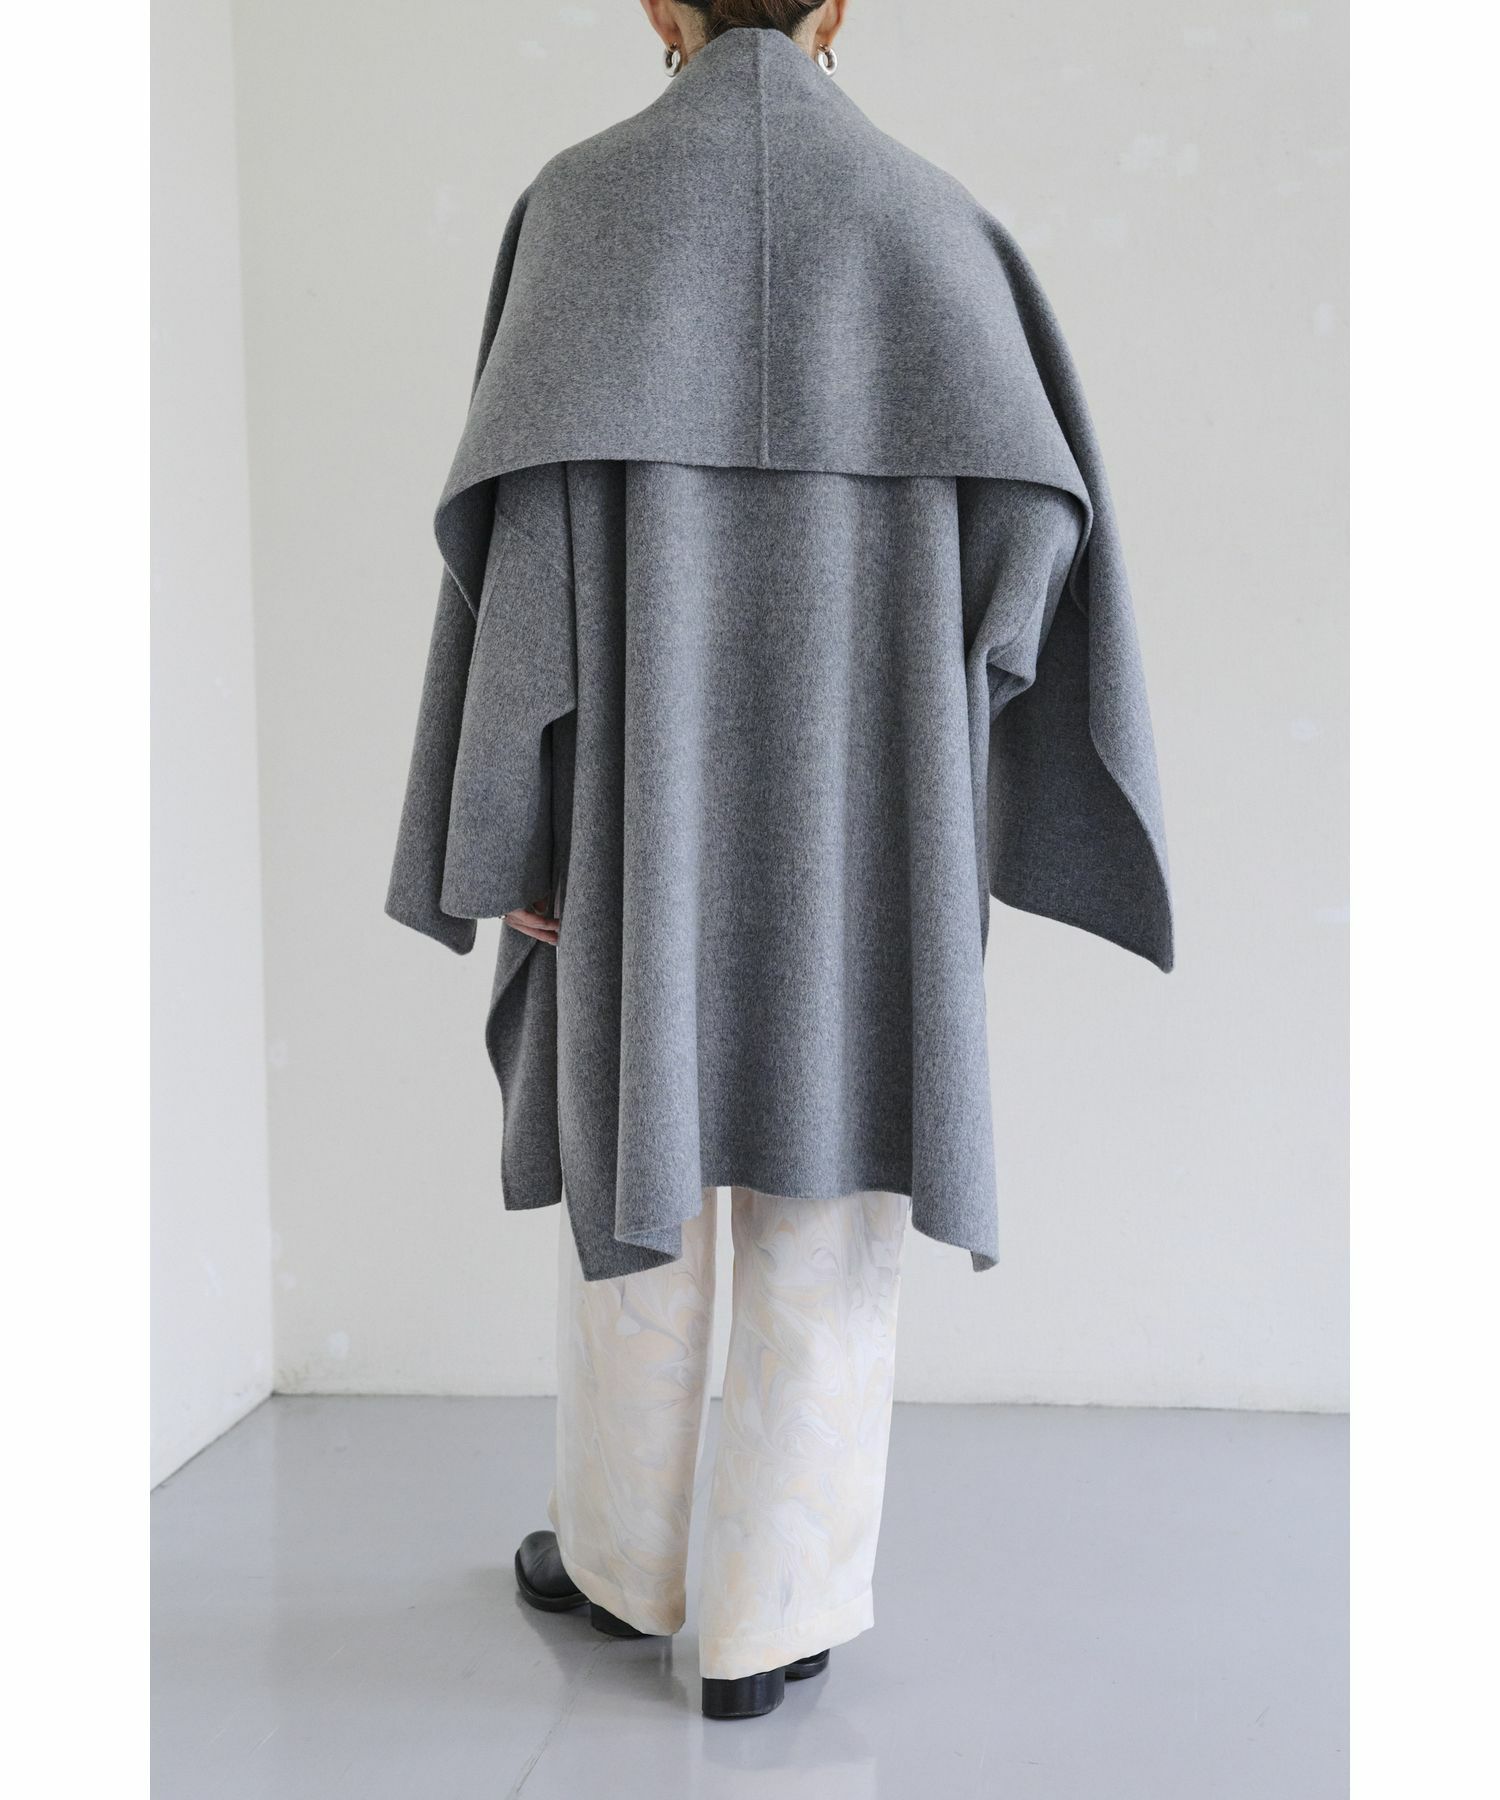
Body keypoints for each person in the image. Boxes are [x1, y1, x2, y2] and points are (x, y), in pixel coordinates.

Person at [386, 0, 1173, 1721]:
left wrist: (514, 815)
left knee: (636, 1173)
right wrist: (961, 706)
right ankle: (770, 1618)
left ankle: (625, 1566)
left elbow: (514, 553)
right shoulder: (936, 226)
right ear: (839, 10)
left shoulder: (578, 212)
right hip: (871, 816)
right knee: (837, 1189)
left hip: (634, 816)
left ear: (657, 8)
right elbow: (1040, 530)